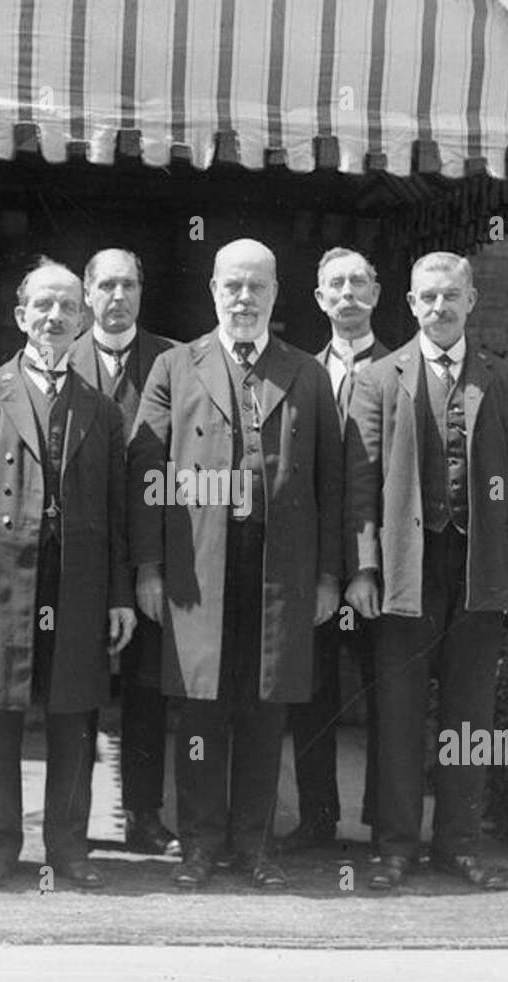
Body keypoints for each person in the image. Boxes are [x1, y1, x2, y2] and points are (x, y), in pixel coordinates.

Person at [129, 238, 343, 889]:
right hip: (199, 567)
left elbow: (331, 483)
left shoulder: (307, 371)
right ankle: (199, 843)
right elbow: (145, 472)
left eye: (257, 286)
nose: (244, 298)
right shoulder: (174, 365)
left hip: (279, 567)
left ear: (277, 293)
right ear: (213, 290)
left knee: (263, 708)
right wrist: (148, 567)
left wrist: (329, 574)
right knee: (200, 708)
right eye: (233, 286)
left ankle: (253, 844)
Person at [345, 250, 508, 891]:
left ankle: (459, 845)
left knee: (470, 719)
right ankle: (396, 846)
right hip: (406, 570)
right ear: (409, 304)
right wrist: (364, 569)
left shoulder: (505, 382)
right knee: (401, 713)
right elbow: (362, 484)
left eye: (451, 296)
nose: (439, 307)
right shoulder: (379, 378)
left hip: (480, 570)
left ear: (471, 301)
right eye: (427, 297)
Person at [0, 258, 135, 891]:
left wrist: (119, 595)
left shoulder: (102, 411)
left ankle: (69, 849)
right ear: (21, 316)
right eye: (43, 306)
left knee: (75, 717)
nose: (55, 317)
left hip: (76, 582)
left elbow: (117, 511)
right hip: (1, 582)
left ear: (81, 321)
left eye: (67, 308)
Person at [66, 248, 178, 856]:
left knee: (147, 691)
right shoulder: (61, 356)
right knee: (77, 687)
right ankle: (73, 817)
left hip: (148, 553)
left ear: (141, 291)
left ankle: (144, 815)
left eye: (128, 284)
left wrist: (152, 564)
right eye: (105, 285)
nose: (117, 296)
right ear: (87, 293)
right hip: (80, 555)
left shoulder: (174, 360)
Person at [281, 247, 388, 853]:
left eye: (357, 282)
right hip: (318, 564)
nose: (347, 294)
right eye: (334, 286)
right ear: (320, 300)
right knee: (313, 691)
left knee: (385, 693)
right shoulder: (301, 373)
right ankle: (317, 817)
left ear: (375, 290)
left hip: (380, 565)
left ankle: (382, 826)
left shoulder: (402, 367)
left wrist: (368, 563)